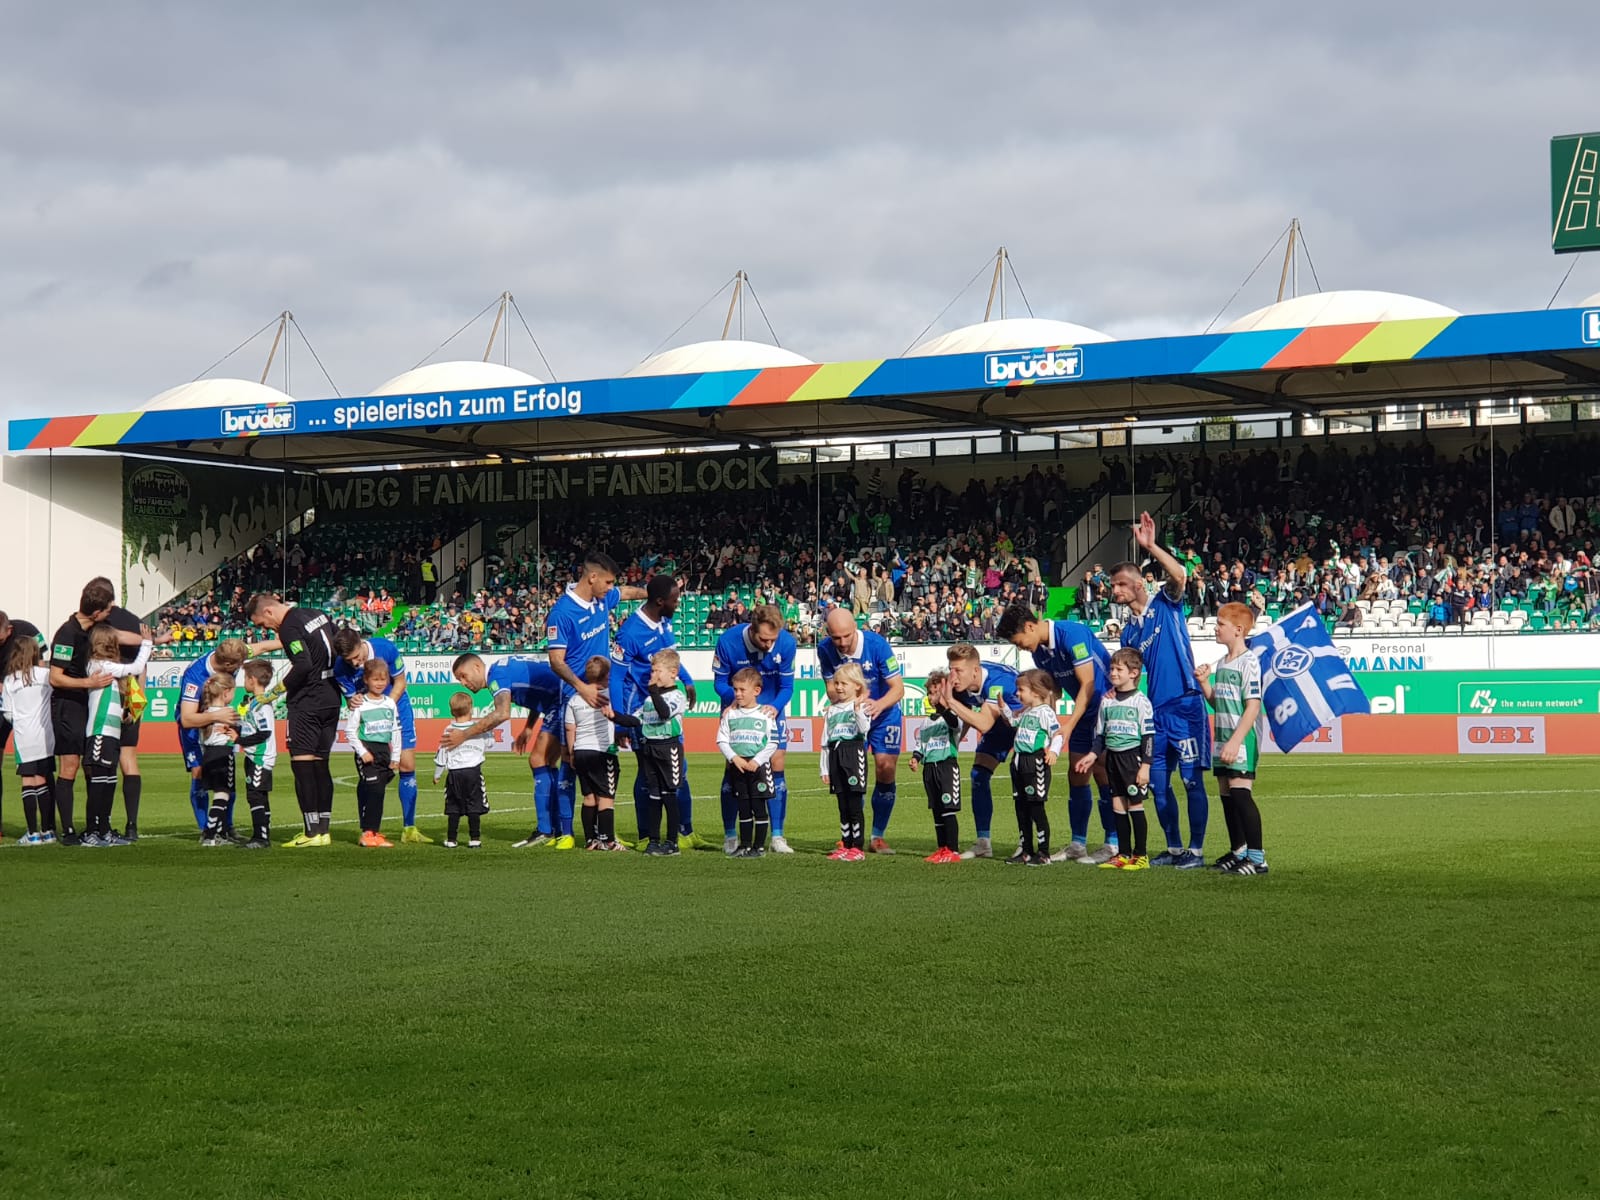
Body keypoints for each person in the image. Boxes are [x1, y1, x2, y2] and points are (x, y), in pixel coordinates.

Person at [1108, 512, 1211, 867]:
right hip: (1156, 713)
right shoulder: (1128, 634)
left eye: (1120, 585)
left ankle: (1196, 851)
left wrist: (1152, 546)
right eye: (1113, 587)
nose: (1115, 591)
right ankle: (1175, 847)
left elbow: (1181, 575)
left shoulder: (1165, 604)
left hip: (1185, 703)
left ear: (1137, 584)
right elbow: (1127, 675)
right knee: (1158, 785)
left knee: (1191, 781)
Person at [996, 604, 1118, 864]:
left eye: (1019, 643)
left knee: (1102, 771)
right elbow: (1053, 694)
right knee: (1077, 773)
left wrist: (1070, 724)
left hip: (1106, 710)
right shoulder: (1040, 653)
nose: (1021, 648)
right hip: (1083, 714)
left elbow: (1088, 683)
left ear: (1029, 627)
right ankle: (1078, 844)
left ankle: (1113, 842)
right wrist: (1027, 714)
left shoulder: (1071, 634)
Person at [545, 551, 648, 846]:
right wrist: (581, 687)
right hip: (576, 695)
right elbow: (556, 660)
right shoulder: (563, 613)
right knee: (570, 761)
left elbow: (626, 593)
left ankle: (601, 834)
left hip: (604, 695)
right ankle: (567, 833)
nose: (610, 587)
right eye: (607, 581)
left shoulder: (602, 599)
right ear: (592, 577)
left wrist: (649, 592)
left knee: (606, 755)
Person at [245, 593, 342, 849]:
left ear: (267, 612)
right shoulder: (315, 612)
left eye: (262, 624)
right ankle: (323, 830)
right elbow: (340, 642)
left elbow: (303, 665)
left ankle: (311, 832)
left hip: (307, 701)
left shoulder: (289, 626)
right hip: (332, 697)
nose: (265, 628)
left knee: (302, 766)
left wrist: (275, 692)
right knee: (321, 765)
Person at [612, 576, 700, 848]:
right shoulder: (629, 633)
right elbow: (616, 678)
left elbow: (671, 656)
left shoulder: (664, 622)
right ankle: (645, 835)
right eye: (675, 600)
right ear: (660, 601)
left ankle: (685, 833)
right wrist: (619, 723)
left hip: (666, 706)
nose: (678, 603)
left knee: (678, 770)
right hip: (642, 708)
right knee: (647, 773)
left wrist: (687, 681)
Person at [446, 653, 564, 848]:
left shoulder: (496, 675)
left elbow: (502, 713)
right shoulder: (504, 668)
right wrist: (528, 727)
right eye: (459, 680)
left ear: (477, 666)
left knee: (538, 760)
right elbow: (539, 690)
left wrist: (464, 734)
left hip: (561, 699)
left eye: (463, 676)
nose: (463, 682)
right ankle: (556, 828)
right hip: (559, 696)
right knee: (546, 761)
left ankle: (546, 830)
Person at [816, 607, 905, 854]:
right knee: (849, 774)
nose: (842, 643)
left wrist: (875, 704)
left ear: (856, 628)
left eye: (846, 636)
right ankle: (853, 834)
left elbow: (898, 689)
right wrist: (847, 702)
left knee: (885, 768)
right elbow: (830, 689)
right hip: (850, 719)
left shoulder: (877, 645)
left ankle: (877, 836)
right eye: (836, 638)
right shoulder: (824, 649)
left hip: (883, 714)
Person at [712, 604, 797, 854]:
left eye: (773, 639)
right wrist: (736, 700)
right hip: (735, 707)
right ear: (752, 628)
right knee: (734, 766)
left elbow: (787, 686)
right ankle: (731, 835)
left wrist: (773, 708)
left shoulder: (787, 643)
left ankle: (777, 836)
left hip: (769, 708)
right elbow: (719, 682)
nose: (769, 645)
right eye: (764, 639)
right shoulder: (728, 642)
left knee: (777, 762)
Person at [333, 628, 429, 843]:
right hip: (369, 720)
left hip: (396, 709)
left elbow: (401, 682)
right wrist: (355, 703)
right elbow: (351, 700)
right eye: (350, 661)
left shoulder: (385, 648)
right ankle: (367, 829)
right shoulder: (340, 668)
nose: (356, 664)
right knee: (369, 774)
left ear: (361, 643)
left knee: (406, 765)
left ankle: (409, 828)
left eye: (357, 657)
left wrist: (387, 707)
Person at [48, 580, 124, 843]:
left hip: (89, 703)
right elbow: (55, 678)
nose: (110, 613)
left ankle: (97, 827)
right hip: (68, 706)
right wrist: (88, 683)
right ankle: (68, 830)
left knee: (94, 767)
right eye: (107, 609)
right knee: (70, 765)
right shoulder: (67, 634)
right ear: (95, 612)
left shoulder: (94, 630)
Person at [1196, 602, 1269, 876]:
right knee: (1227, 796)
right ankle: (1238, 850)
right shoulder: (1223, 663)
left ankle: (1258, 857)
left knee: (1241, 795)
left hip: (1240, 738)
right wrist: (1205, 684)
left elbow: (1252, 706)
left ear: (1238, 630)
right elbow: (1219, 703)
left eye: (1220, 624)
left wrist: (1236, 741)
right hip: (1223, 736)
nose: (1216, 628)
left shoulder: (1248, 661)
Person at [931, 643, 1022, 860]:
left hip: (1024, 723)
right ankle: (983, 842)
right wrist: (956, 741)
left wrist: (950, 701)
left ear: (975, 670)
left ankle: (1025, 842)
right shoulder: (960, 684)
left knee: (1022, 779)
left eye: (958, 671)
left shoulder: (997, 683)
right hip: (998, 722)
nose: (953, 675)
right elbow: (968, 716)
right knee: (978, 775)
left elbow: (983, 724)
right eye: (951, 668)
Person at [1074, 647, 1154, 872]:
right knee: (1117, 804)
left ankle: (1141, 855)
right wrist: (1091, 755)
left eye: (1119, 669)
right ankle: (1123, 854)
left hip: (1132, 759)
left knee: (1135, 805)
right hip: (1112, 759)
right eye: (1111, 669)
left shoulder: (1141, 701)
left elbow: (1148, 736)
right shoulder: (1107, 701)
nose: (1113, 673)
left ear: (1134, 672)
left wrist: (1145, 766)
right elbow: (1101, 734)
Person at [608, 648, 691, 857]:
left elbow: (664, 713)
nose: (652, 675)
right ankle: (653, 840)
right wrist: (613, 716)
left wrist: (653, 691)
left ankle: (672, 842)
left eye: (656, 671)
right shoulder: (647, 700)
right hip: (650, 749)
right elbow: (635, 721)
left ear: (673, 672)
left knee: (669, 795)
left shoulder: (676, 696)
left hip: (669, 749)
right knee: (653, 795)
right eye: (652, 671)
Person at [80, 619, 153, 846]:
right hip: (100, 731)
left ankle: (104, 829)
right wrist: (147, 644)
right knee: (100, 781)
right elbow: (136, 668)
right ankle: (92, 830)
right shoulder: (98, 665)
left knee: (109, 780)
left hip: (111, 732)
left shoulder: (105, 669)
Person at [175, 638, 251, 837]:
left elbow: (262, 646)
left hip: (220, 721)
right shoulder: (195, 676)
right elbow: (187, 719)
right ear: (227, 665)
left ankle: (227, 827)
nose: (240, 669)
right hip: (196, 727)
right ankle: (205, 828)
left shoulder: (232, 653)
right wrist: (217, 715)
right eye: (238, 666)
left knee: (227, 772)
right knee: (199, 773)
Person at [715, 666, 779, 859]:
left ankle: (759, 847)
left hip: (758, 768)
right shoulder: (730, 714)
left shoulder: (766, 715)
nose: (738, 694)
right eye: (736, 690)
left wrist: (757, 761)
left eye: (742, 690)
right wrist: (734, 758)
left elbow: (773, 741)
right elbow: (721, 739)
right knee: (743, 807)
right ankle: (744, 845)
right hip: (739, 767)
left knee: (759, 807)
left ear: (756, 691)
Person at [1002, 668, 1063, 866]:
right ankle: (1026, 850)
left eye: (1021, 690)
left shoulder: (1045, 712)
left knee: (1036, 807)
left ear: (1036, 692)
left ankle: (1043, 853)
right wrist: (1003, 708)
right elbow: (1013, 722)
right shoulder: (1028, 711)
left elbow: (1057, 734)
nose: (1017, 694)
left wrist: (1053, 751)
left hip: (1034, 762)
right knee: (1021, 807)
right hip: (1018, 761)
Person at [566, 656, 627, 851]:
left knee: (589, 797)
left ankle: (591, 839)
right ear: (607, 675)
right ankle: (608, 840)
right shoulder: (610, 695)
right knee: (606, 796)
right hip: (602, 751)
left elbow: (570, 729)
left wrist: (571, 753)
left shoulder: (575, 699)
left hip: (581, 750)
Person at [4, 635, 57, 844]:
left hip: (24, 737)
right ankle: (48, 831)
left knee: (28, 781)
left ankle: (33, 833)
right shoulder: (45, 675)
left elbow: (7, 712)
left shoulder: (10, 680)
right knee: (42, 779)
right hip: (45, 735)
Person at [346, 659, 401, 848]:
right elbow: (350, 731)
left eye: (383, 679)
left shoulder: (389, 704)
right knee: (375, 790)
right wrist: (362, 751)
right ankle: (368, 833)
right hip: (367, 751)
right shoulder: (360, 703)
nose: (379, 683)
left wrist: (395, 757)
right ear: (366, 680)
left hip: (384, 751)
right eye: (375, 679)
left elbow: (395, 731)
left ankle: (372, 830)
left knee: (378, 790)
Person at [910, 669, 963, 864]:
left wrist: (943, 706)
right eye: (930, 693)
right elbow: (921, 744)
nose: (931, 697)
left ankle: (953, 850)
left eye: (935, 692)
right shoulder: (926, 722)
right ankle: (942, 848)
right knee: (937, 809)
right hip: (930, 768)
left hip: (946, 766)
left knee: (948, 808)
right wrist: (916, 757)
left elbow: (956, 726)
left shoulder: (952, 715)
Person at [0, 611, 46, 836]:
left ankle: (39, 829)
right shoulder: (40, 677)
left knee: (35, 773)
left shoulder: (28, 629)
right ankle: (45, 829)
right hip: (27, 720)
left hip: (22, 717)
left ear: (9, 631)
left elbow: (45, 659)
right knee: (40, 773)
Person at [820, 664, 872, 862]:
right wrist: (824, 768)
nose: (839, 687)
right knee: (842, 803)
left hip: (853, 752)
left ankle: (857, 847)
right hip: (835, 754)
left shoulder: (862, 707)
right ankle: (845, 843)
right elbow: (825, 740)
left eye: (844, 683)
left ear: (857, 686)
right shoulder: (831, 710)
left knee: (854, 803)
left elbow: (864, 728)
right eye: (836, 683)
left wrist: (857, 710)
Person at [434, 692, 492, 848]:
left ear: (452, 711)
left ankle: (452, 839)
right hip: (473, 772)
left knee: (453, 807)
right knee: (474, 806)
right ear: (471, 709)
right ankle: (474, 839)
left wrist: (437, 774)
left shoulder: (449, 729)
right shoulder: (478, 728)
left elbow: (442, 752)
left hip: (454, 774)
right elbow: (490, 742)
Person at [234, 659, 278, 849]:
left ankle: (261, 837)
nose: (244, 681)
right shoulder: (254, 704)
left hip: (260, 758)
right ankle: (261, 833)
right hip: (253, 756)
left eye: (245, 677)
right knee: (258, 795)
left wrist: (240, 741)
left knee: (256, 796)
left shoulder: (262, 706)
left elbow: (264, 732)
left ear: (252, 680)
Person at [198, 673, 240, 847]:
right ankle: (209, 833)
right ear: (226, 693)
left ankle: (220, 832)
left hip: (207, 755)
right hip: (223, 754)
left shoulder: (205, 714)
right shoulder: (229, 713)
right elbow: (239, 733)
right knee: (222, 794)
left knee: (218, 794)